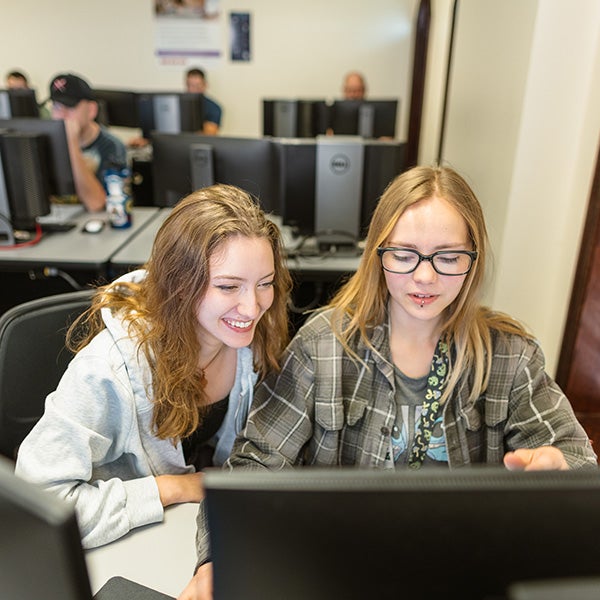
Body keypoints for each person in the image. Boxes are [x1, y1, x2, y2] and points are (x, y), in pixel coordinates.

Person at [179, 165, 597, 599]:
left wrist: (565, 470)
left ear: (474, 259)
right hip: (341, 575)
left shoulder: (509, 356)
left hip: (464, 575)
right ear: (378, 252)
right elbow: (252, 468)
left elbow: (579, 462)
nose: (424, 277)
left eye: (449, 257)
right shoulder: (323, 346)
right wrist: (214, 560)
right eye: (404, 254)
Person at [15, 184, 293, 549]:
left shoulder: (252, 339)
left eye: (265, 284)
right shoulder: (107, 369)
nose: (253, 308)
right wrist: (170, 488)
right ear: (179, 283)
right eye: (228, 287)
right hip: (126, 547)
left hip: (205, 534)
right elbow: (38, 510)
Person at [49, 72, 127, 212]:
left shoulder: (111, 146)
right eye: (56, 107)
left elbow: (96, 203)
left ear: (92, 110)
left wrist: (71, 143)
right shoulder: (46, 142)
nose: (61, 115)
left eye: (70, 107)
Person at [185, 67, 222, 135]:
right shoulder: (177, 106)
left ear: (205, 85)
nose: (194, 90)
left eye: (197, 86)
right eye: (190, 86)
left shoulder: (214, 108)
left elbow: (210, 134)